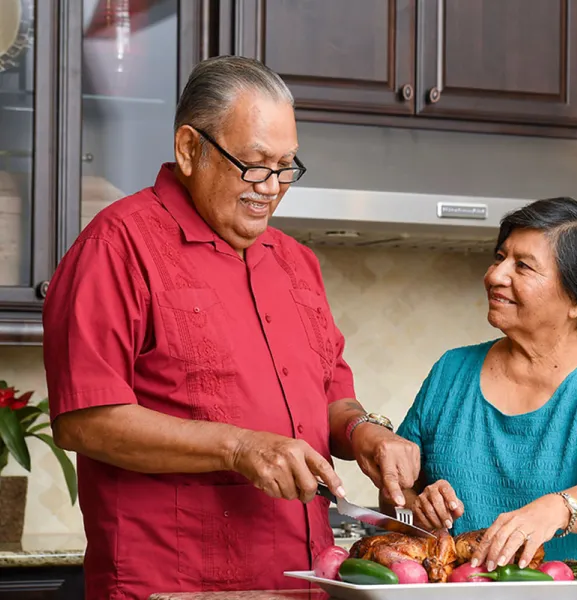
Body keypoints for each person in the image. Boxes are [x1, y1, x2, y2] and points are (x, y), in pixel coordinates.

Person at [42, 55, 420, 599]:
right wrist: (238, 447)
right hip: (172, 586)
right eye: (255, 164)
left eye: (286, 166)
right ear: (189, 149)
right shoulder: (117, 246)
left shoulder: (296, 262)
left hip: (302, 582)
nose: (272, 186)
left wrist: (367, 434)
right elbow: (84, 421)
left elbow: (332, 398)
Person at [390, 197, 577, 581]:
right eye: (500, 257)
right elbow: (396, 494)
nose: (495, 275)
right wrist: (418, 507)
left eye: (523, 266)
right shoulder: (451, 371)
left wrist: (554, 509)